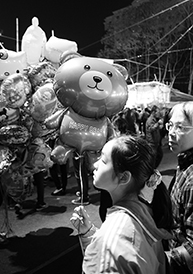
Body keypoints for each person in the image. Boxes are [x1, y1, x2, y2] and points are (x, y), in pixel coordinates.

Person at [71, 135, 173, 274]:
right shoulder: (145, 211)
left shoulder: (111, 243)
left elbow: (110, 253)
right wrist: (90, 234)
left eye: (103, 160)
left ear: (124, 177)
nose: (95, 164)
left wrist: (102, 240)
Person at [165, 102, 193, 273]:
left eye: (180, 127)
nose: (171, 133)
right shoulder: (184, 163)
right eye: (170, 125)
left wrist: (160, 259)